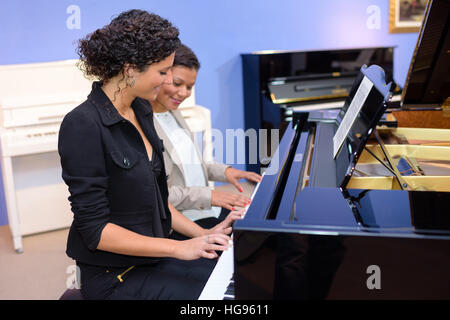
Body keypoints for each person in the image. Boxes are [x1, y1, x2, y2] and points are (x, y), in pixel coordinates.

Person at [58, 9, 243, 300]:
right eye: (162, 71)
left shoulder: (141, 108)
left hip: (154, 254)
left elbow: (158, 201)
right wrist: (179, 248)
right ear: (131, 69)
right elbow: (96, 230)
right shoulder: (82, 124)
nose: (168, 80)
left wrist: (201, 235)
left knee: (235, 279)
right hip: (116, 275)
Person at [152, 44, 262, 235]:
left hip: (205, 209)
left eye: (190, 87)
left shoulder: (173, 113)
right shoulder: (144, 125)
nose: (184, 93)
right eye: (178, 84)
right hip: (181, 222)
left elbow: (190, 165)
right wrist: (209, 195)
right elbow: (158, 195)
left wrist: (225, 172)